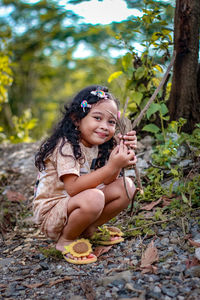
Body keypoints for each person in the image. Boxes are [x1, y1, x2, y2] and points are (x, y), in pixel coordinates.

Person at [33, 85, 137, 264]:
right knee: (94, 197)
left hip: (80, 204)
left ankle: (88, 229)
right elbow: (73, 188)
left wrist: (119, 157)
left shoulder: (100, 145)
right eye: (97, 118)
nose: (104, 127)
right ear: (76, 119)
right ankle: (65, 240)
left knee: (127, 186)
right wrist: (111, 166)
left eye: (111, 122)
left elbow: (108, 180)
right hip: (52, 214)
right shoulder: (65, 146)